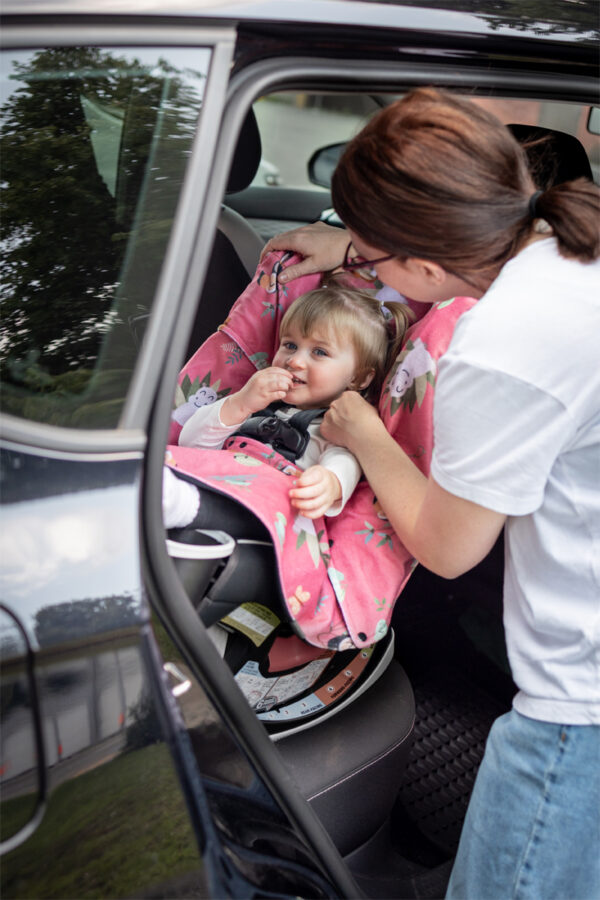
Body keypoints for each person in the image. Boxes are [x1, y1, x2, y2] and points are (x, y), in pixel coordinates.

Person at [261, 87, 600, 900]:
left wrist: (366, 436)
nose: (365, 270)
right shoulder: (562, 246)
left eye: (371, 260)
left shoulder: (504, 342)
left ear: (422, 264)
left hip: (579, 706)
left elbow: (450, 547)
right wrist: (341, 241)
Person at [163, 276, 411, 531]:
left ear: (358, 377)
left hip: (269, 513)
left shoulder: (337, 428)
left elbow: (344, 461)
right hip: (217, 482)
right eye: (290, 345)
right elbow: (190, 442)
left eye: (319, 352)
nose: (294, 361)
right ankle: (171, 496)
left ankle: (176, 501)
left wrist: (330, 482)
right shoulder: (254, 401)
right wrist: (241, 403)